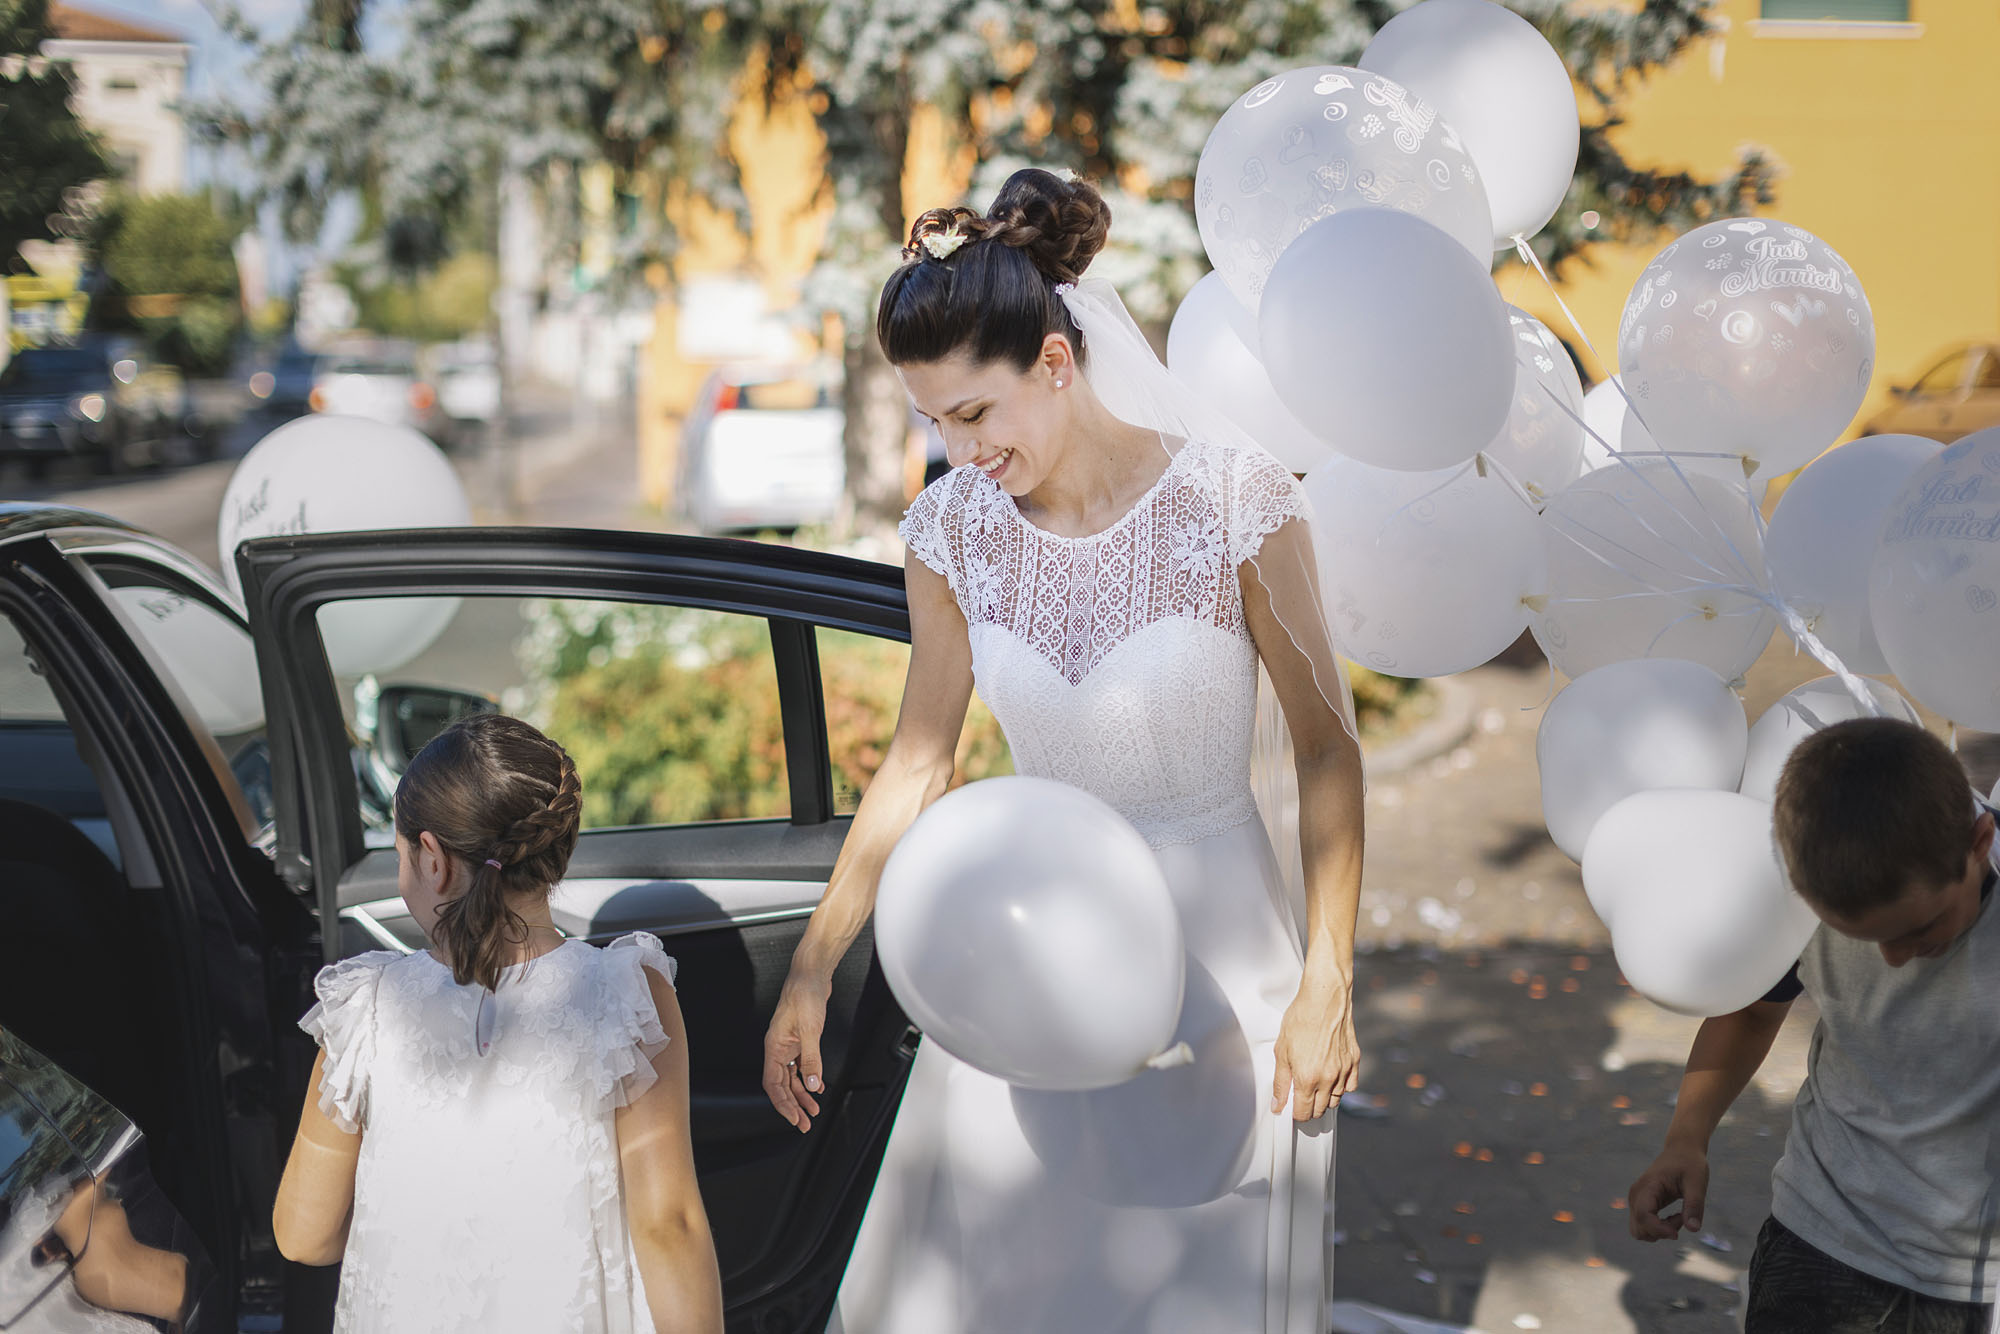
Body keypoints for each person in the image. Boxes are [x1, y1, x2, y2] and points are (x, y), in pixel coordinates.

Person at [760, 168, 1367, 1334]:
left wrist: (1327, 976)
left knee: (1197, 1289)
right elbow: (917, 762)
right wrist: (811, 966)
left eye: (974, 413)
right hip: (1026, 963)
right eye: (932, 419)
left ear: (1052, 360)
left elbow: (1326, 750)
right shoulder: (949, 534)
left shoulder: (1234, 502)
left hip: (1221, 960)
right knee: (1012, 1287)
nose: (956, 447)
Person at [271, 714, 722, 1334]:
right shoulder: (625, 993)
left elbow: (303, 1235)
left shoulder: (367, 1007)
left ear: (432, 860)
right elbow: (667, 1224)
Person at [1627, 716, 1998, 1333]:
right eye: (1867, 939)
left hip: (1968, 1278)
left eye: (1917, 930)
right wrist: (1685, 1136)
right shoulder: (1797, 901)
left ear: (1980, 841)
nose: (1894, 959)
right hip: (1817, 1246)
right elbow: (1750, 1010)